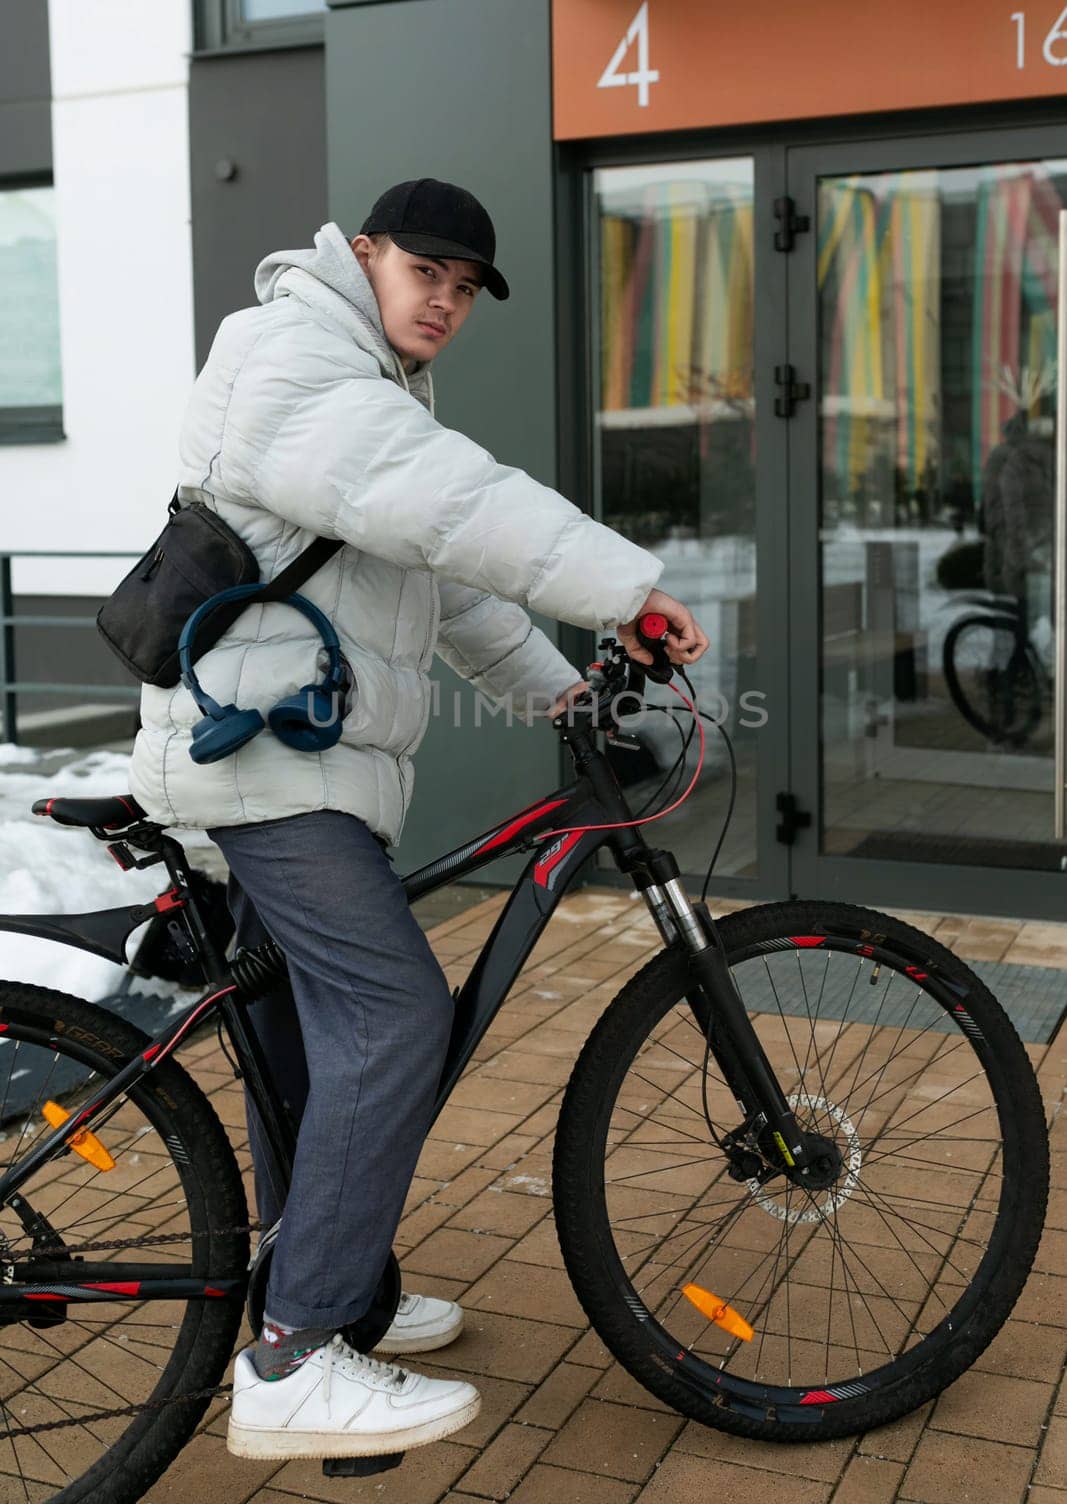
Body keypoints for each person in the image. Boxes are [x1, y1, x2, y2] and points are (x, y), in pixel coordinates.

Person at [128, 178, 708, 1463]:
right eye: (427, 270)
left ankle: (334, 1291)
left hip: (287, 764)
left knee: (306, 1056)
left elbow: (438, 580)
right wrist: (628, 593)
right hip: (260, 768)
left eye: (465, 286)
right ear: (366, 253)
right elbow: (454, 498)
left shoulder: (368, 387)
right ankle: (293, 1356)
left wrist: (561, 688)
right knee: (393, 1016)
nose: (444, 298)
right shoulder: (295, 359)